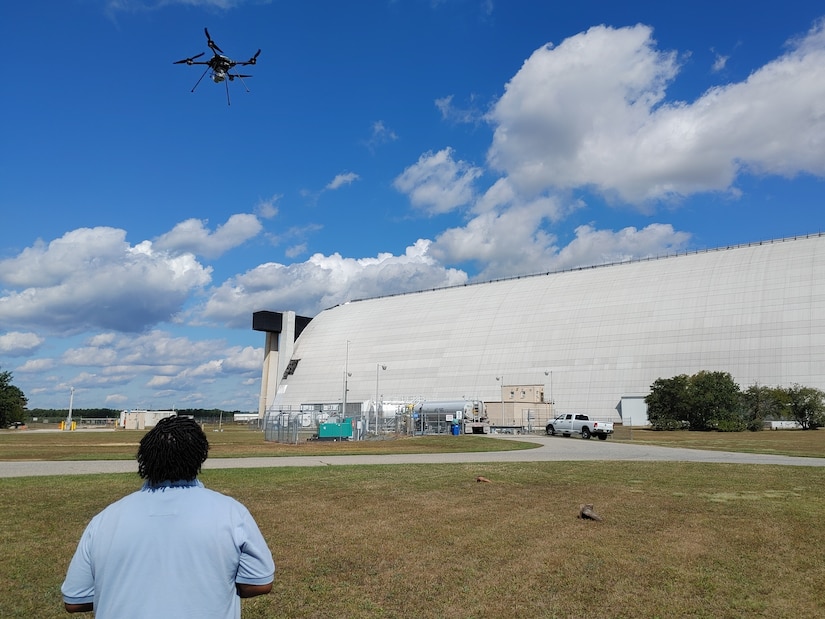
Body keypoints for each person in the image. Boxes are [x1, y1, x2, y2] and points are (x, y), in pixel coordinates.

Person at [61, 415, 275, 617]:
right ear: (200, 457)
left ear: (144, 457)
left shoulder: (105, 520)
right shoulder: (231, 513)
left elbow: (75, 599)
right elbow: (259, 581)